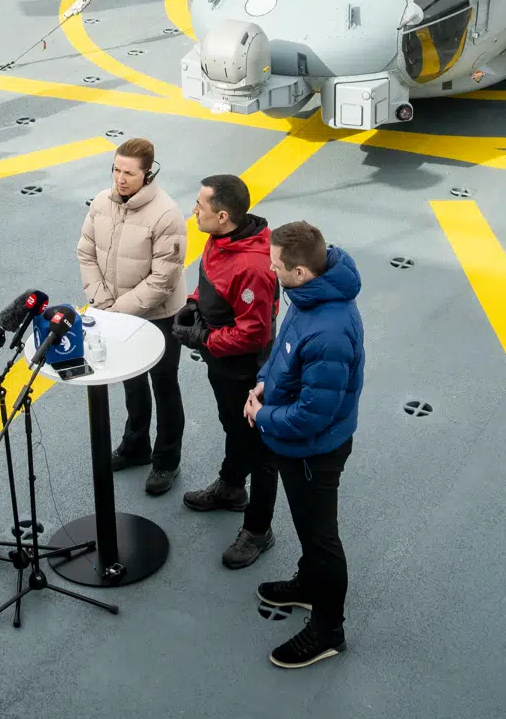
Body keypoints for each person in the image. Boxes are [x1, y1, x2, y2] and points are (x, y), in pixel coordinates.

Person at [244, 220, 363, 669]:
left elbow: (314, 414)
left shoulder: (329, 332)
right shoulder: (310, 297)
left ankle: (328, 630)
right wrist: (261, 384)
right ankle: (310, 588)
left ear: (300, 272)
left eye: (277, 266)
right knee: (310, 532)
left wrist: (262, 414)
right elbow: (283, 353)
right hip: (299, 443)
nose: (271, 271)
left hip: (314, 451)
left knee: (320, 539)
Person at [173, 174, 280, 569]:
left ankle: (258, 529)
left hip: (246, 369)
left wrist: (205, 339)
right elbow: (210, 280)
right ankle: (233, 488)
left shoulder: (253, 266)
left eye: (199, 206)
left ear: (222, 215)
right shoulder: (220, 238)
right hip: (223, 364)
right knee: (234, 428)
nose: (193, 211)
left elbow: (255, 332)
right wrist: (193, 303)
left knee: (261, 447)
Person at [77, 137, 188, 495]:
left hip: (159, 316)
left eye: (128, 173)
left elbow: (163, 279)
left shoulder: (167, 214)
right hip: (116, 311)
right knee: (131, 382)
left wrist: (115, 310)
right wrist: (100, 298)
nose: (120, 179)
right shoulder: (100, 203)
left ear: (148, 174)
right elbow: (87, 253)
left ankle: (166, 461)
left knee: (164, 385)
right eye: (116, 169)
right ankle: (136, 446)